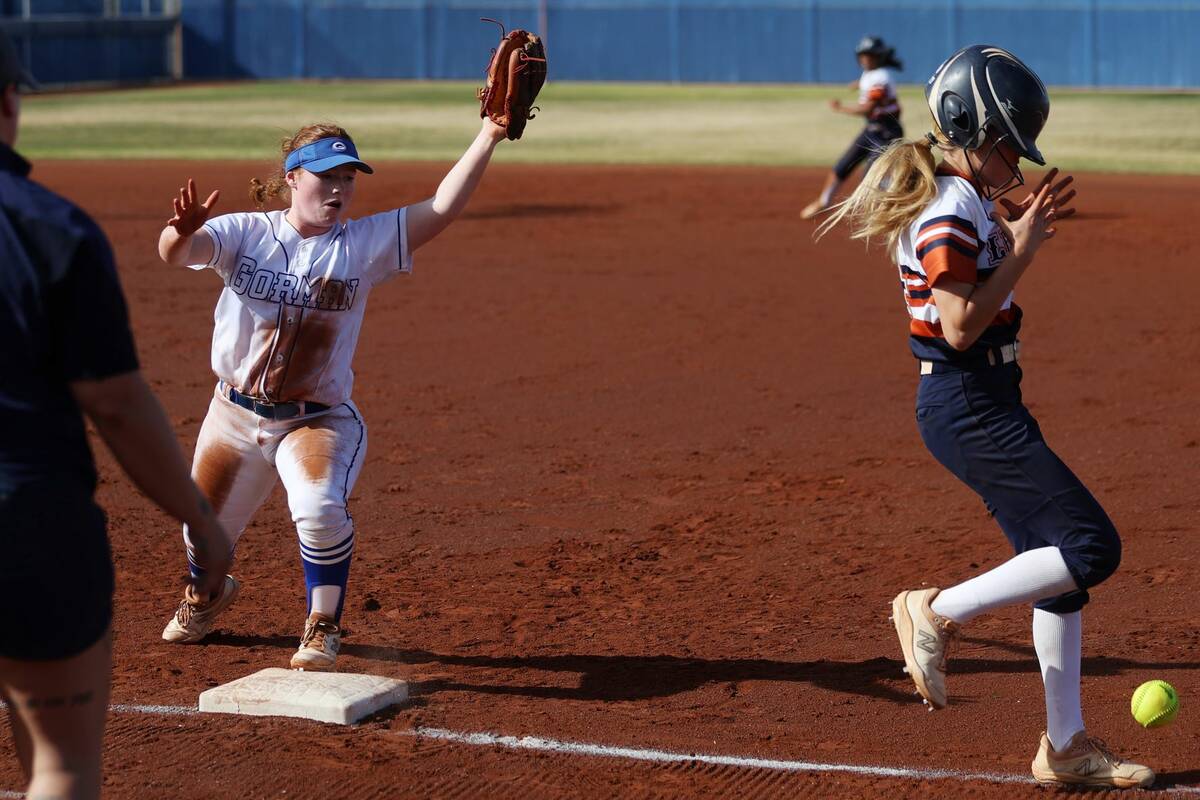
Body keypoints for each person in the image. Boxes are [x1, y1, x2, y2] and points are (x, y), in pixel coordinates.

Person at [820, 45, 1154, 789]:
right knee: (1092, 547)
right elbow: (960, 325)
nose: (1017, 162)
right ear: (972, 130)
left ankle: (1065, 747)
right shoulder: (947, 207)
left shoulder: (963, 198)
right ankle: (935, 611)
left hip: (985, 399)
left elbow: (975, 283)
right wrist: (1023, 249)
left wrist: (1011, 228)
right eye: (1009, 145)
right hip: (967, 401)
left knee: (1059, 573)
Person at [157, 116, 511, 672]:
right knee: (202, 535)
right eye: (327, 176)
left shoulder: (362, 245)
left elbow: (441, 207)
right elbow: (177, 253)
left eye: (348, 177)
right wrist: (179, 232)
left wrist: (488, 135)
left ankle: (322, 624)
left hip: (315, 421)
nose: (339, 189)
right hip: (233, 416)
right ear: (293, 178)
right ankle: (206, 595)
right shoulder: (244, 233)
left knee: (319, 507)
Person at [0, 31, 230, 800]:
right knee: (59, 766)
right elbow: (117, 405)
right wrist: (200, 519)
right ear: (10, 101)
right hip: (27, 522)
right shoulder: (51, 230)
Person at [801, 36, 904, 220]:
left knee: (873, 177)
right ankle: (824, 201)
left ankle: (896, 208)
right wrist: (858, 84)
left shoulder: (881, 77)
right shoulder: (870, 74)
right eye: (863, 55)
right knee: (842, 166)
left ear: (879, 57)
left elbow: (868, 108)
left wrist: (840, 108)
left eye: (870, 55)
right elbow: (869, 86)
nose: (865, 58)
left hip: (887, 133)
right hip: (872, 129)